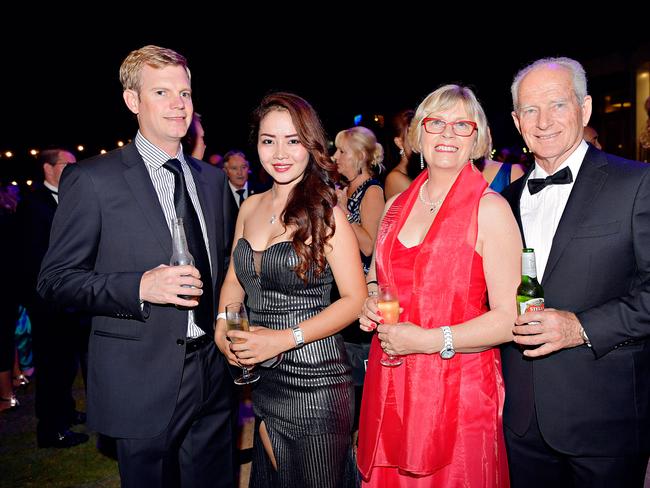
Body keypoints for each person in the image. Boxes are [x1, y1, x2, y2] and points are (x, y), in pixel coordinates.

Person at [38, 45, 235, 487]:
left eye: (184, 93)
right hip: (141, 376)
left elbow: (223, 268)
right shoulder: (93, 179)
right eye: (161, 92)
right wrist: (139, 286)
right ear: (132, 101)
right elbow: (54, 281)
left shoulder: (212, 180)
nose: (177, 105)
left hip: (212, 368)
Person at [357, 84, 521, 486]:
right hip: (393, 385)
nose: (447, 134)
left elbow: (508, 319)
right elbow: (378, 279)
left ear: (478, 139)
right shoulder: (395, 207)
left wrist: (429, 340)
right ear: (418, 133)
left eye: (462, 125)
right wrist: (370, 301)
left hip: (459, 395)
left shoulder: (491, 210)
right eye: (436, 123)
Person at [501, 57, 650, 487]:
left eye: (557, 105)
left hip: (606, 419)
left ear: (584, 109)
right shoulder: (504, 201)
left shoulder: (637, 184)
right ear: (516, 120)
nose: (543, 121)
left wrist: (581, 327)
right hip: (521, 423)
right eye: (530, 110)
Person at [215, 92, 367, 487]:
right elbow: (234, 279)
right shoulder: (249, 208)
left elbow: (355, 300)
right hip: (264, 379)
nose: (279, 152)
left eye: (293, 140)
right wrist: (223, 327)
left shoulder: (326, 211)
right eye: (269, 140)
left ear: (311, 144)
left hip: (317, 380)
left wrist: (283, 339)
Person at [16, 148, 91, 447]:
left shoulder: (71, 199)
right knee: (52, 368)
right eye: (67, 165)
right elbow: (33, 259)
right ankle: (52, 429)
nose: (73, 170)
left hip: (72, 300)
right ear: (48, 168)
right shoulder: (33, 206)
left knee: (68, 365)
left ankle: (67, 412)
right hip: (49, 303)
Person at [333, 126, 385, 274]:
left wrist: (345, 212)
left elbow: (369, 248)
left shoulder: (372, 191)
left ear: (360, 156)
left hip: (363, 283)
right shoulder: (345, 188)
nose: (335, 156)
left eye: (342, 151)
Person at [383, 109, 421, 199]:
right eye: (412, 138)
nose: (419, 142)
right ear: (399, 143)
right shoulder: (395, 178)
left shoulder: (419, 169)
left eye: (419, 135)